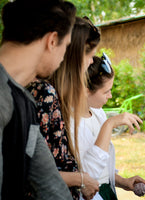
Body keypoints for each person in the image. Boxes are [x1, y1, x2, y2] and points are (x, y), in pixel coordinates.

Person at [0, 0, 76, 199]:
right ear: (52, 41)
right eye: (65, 46)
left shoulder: (24, 103)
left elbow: (50, 185)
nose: (63, 58)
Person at [27, 17, 101, 200]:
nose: (92, 61)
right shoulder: (45, 95)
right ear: (74, 56)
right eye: (89, 55)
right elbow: (31, 169)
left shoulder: (56, 96)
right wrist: (80, 179)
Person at [74, 55, 145, 200]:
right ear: (86, 90)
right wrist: (109, 124)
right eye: (106, 91)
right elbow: (88, 176)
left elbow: (102, 169)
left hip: (107, 192)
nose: (110, 95)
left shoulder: (97, 113)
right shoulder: (71, 124)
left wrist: (124, 182)